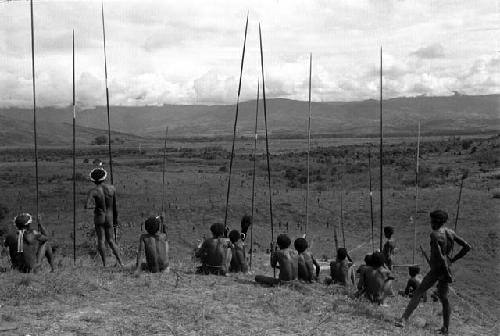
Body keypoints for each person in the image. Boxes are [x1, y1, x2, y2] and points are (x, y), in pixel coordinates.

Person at [396, 210, 471, 334]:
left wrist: (445, 272)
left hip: (437, 269)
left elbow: (440, 257)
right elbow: (467, 247)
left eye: (432, 220)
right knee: (444, 298)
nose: (430, 223)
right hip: (446, 266)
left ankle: (403, 319)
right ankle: (445, 328)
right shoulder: (451, 232)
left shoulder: (435, 235)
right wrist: (453, 259)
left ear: (437, 221)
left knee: (419, 291)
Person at [84, 166, 123, 267]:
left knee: (101, 239)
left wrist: (96, 206)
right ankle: (121, 262)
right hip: (110, 217)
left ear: (93, 180)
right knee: (111, 240)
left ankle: (105, 264)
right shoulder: (112, 188)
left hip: (99, 217)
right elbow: (115, 207)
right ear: (104, 178)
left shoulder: (93, 191)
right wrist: (116, 219)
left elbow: (87, 205)